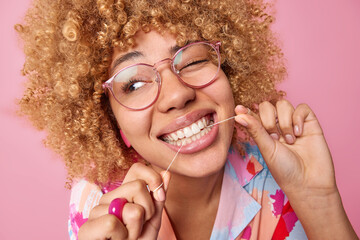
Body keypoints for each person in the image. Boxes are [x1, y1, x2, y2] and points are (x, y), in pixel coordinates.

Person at [16, 0, 358, 239]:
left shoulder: (281, 178)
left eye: (193, 59)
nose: (178, 94)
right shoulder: (99, 208)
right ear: (111, 122)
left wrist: (319, 202)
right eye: (134, 83)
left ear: (230, 70)